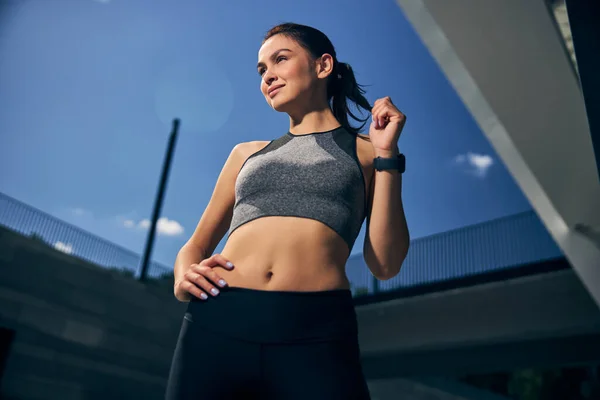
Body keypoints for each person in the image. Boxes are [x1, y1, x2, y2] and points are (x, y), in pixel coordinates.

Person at [165, 22, 410, 400]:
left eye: (280, 60)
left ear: (323, 66)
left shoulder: (368, 150)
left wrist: (388, 156)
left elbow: (385, 264)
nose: (268, 76)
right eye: (262, 70)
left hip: (316, 330)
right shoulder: (245, 154)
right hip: (218, 320)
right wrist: (183, 278)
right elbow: (194, 246)